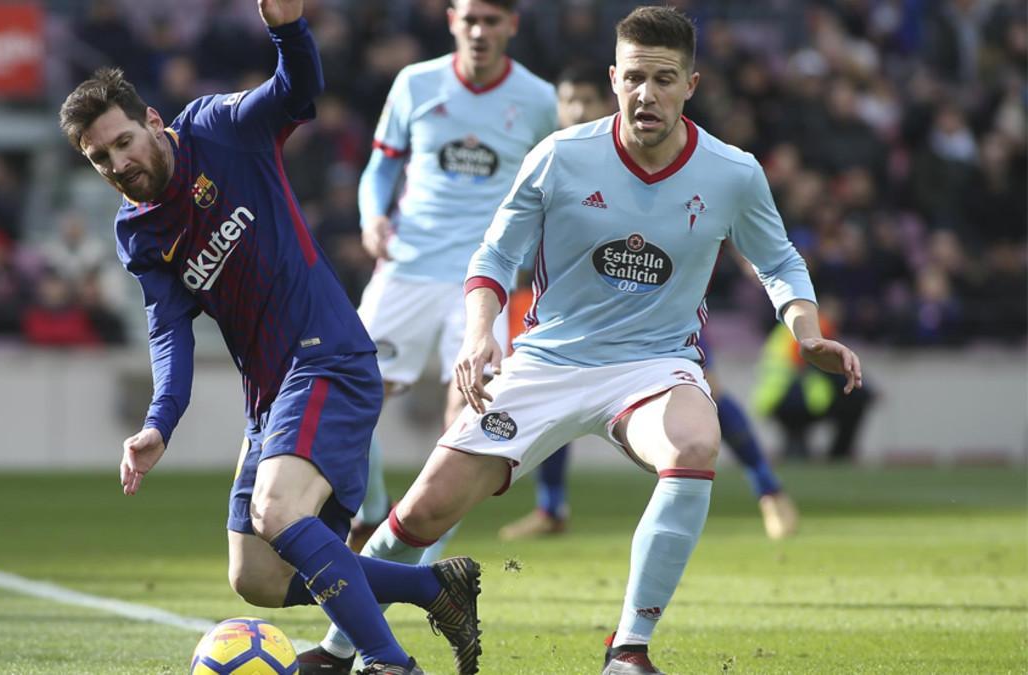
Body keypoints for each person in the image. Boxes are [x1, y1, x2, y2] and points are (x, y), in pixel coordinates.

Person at [318, 7, 865, 674]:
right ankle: (337, 649)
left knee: (695, 443)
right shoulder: (560, 156)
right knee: (423, 512)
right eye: (634, 78)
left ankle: (628, 650)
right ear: (613, 79)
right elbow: (495, 257)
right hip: (546, 363)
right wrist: (480, 333)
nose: (646, 94)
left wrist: (806, 331)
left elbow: (779, 261)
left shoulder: (732, 172)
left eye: (664, 79)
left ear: (691, 85)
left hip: (654, 366)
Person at [57, 3, 479, 674]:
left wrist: (288, 29)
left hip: (328, 356)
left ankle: (389, 663)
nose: (117, 162)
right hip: (270, 395)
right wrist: (159, 423)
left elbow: (296, 88)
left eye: (123, 141)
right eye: (100, 157)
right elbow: (169, 332)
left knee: (277, 510)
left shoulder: (219, 128)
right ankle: (433, 588)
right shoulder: (139, 232)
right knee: (255, 576)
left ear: (153, 122)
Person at [343, 0, 556, 553]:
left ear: (512, 25)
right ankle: (370, 511)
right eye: (470, 19)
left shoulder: (539, 100)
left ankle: (416, 564)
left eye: (492, 20)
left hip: (485, 281)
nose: (479, 31)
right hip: (408, 266)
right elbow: (381, 166)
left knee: (469, 420)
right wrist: (372, 217)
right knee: (348, 394)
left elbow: (551, 191)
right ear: (451, 21)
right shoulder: (416, 83)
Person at [753, 308, 874, 462]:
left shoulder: (788, 327)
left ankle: (799, 452)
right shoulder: (818, 325)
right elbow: (827, 364)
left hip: (775, 398)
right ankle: (838, 455)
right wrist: (864, 390)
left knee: (797, 443)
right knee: (855, 402)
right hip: (796, 398)